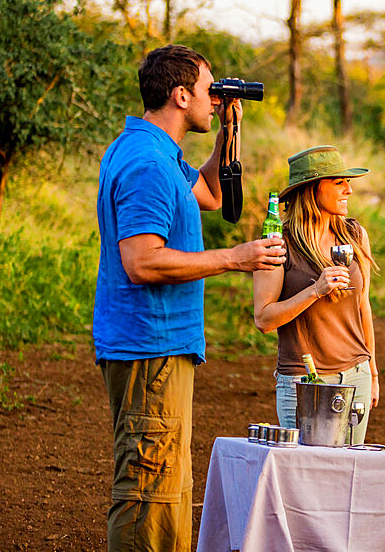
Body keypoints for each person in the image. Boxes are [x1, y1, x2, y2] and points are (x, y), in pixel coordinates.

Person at [92, 44, 286, 551]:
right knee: (148, 493)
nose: (215, 97)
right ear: (181, 95)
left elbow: (211, 195)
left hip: (160, 350)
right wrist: (235, 258)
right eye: (208, 89)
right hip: (148, 348)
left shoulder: (157, 152)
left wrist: (227, 132)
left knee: (168, 490)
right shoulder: (147, 164)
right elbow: (142, 261)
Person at [252, 145, 380, 443]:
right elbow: (264, 319)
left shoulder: (355, 235)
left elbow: (363, 307)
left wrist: (372, 373)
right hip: (303, 382)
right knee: (304, 478)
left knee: (347, 475)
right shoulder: (278, 244)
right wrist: (315, 290)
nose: (349, 190)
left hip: (355, 376)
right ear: (312, 190)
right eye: (339, 183)